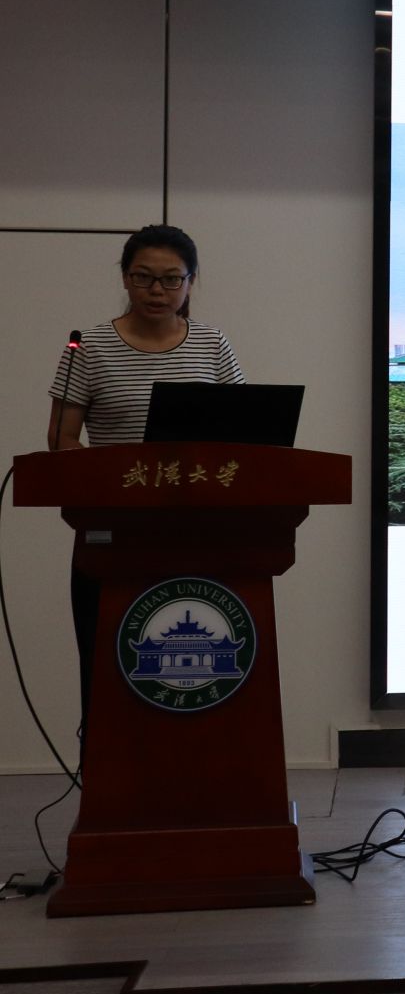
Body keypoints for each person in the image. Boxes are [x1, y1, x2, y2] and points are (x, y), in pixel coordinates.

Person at [45, 224, 244, 726]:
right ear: (125, 278)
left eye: (172, 279)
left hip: (202, 527)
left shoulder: (212, 344)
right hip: (116, 531)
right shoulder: (88, 346)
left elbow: (245, 434)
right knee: (110, 666)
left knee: (204, 678)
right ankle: (104, 768)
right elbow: (62, 439)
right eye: (144, 277)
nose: (158, 291)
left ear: (191, 282)